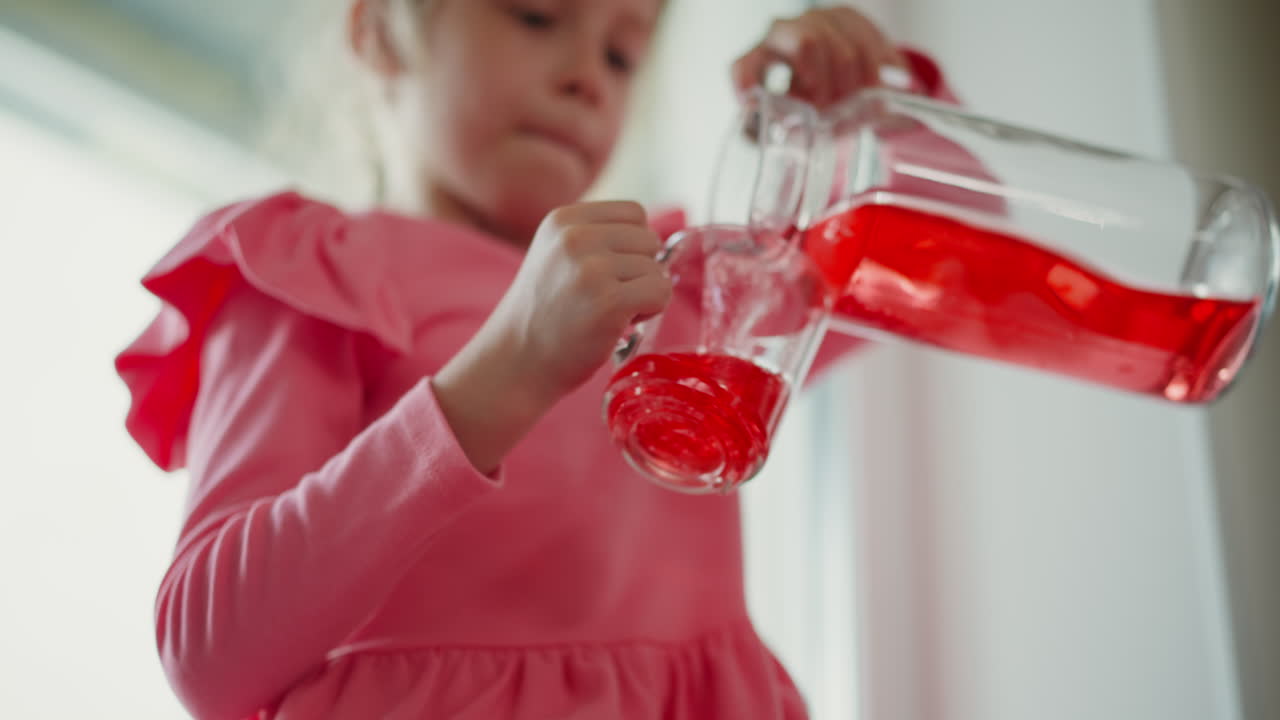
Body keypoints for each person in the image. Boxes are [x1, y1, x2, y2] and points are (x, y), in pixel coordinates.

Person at [116, 2, 956, 717]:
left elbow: (948, 279)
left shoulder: (685, 284)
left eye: (622, 52)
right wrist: (509, 368)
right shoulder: (312, 272)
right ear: (380, 30)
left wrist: (872, 106)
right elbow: (210, 653)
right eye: (536, 15)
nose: (587, 76)